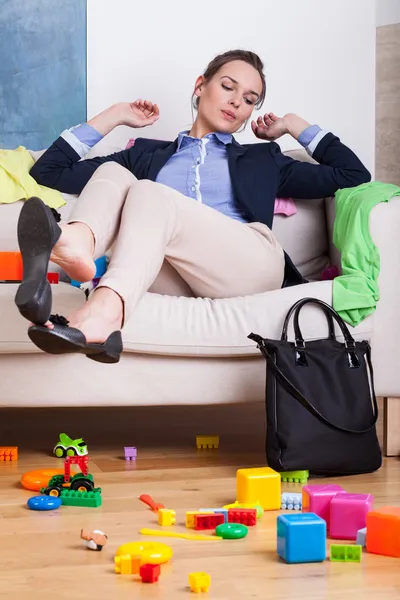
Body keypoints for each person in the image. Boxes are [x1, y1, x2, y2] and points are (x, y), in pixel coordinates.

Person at [15, 49, 370, 364]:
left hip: (249, 266)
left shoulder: (263, 159)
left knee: (149, 193)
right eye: (228, 87)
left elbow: (353, 173)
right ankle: (81, 247)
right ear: (201, 86)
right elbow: (49, 171)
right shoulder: (145, 155)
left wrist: (293, 125)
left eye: (249, 99)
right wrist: (115, 115)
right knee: (112, 171)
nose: (236, 102)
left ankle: (100, 299)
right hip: (169, 272)